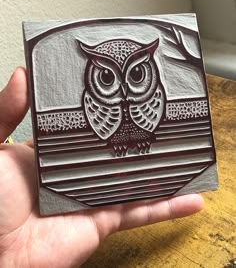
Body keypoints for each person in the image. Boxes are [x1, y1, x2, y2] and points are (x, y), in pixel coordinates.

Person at [0, 67, 204, 268]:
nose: (124, 88)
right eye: (107, 76)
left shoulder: (155, 96)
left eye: (136, 74)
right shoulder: (93, 102)